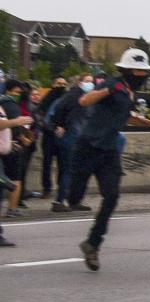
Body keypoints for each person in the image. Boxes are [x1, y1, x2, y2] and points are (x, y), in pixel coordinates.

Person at [76, 49, 150, 271]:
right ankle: (70, 199)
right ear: (126, 71)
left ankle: (93, 243)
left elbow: (128, 116)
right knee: (73, 198)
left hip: (108, 151)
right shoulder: (112, 84)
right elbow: (84, 100)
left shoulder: (129, 93)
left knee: (112, 197)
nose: (142, 76)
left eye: (144, 72)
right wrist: (107, 90)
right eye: (138, 71)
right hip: (87, 147)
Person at [47, 73, 95, 212]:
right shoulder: (73, 96)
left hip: (79, 137)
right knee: (69, 170)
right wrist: (60, 125)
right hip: (71, 137)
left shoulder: (87, 97)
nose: (90, 84)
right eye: (87, 81)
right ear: (80, 83)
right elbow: (59, 110)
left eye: (91, 81)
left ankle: (73, 200)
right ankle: (60, 201)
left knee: (75, 170)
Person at [0, 80, 35, 217]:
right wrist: (18, 124)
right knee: (14, 178)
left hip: (7, 145)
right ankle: (12, 208)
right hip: (10, 148)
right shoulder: (11, 105)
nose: (19, 95)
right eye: (17, 92)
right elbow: (10, 125)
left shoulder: (3, 103)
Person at [36, 76, 67, 201]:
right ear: (54, 84)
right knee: (47, 164)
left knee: (62, 165)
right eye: (59, 83)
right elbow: (40, 115)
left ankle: (61, 189)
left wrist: (64, 127)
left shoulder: (67, 99)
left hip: (62, 135)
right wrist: (48, 127)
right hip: (49, 135)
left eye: (63, 84)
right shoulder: (46, 99)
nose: (61, 86)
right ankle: (46, 189)